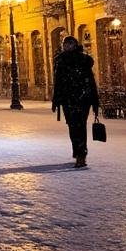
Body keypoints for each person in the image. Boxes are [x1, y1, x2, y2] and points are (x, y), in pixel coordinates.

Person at [51, 36, 100, 168]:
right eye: (65, 44)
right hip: (68, 99)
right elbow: (58, 82)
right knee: (72, 126)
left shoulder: (83, 60)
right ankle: (77, 151)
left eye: (69, 44)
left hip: (82, 99)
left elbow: (90, 81)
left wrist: (94, 101)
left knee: (80, 125)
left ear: (75, 45)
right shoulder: (61, 61)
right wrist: (56, 99)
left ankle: (81, 155)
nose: (67, 47)